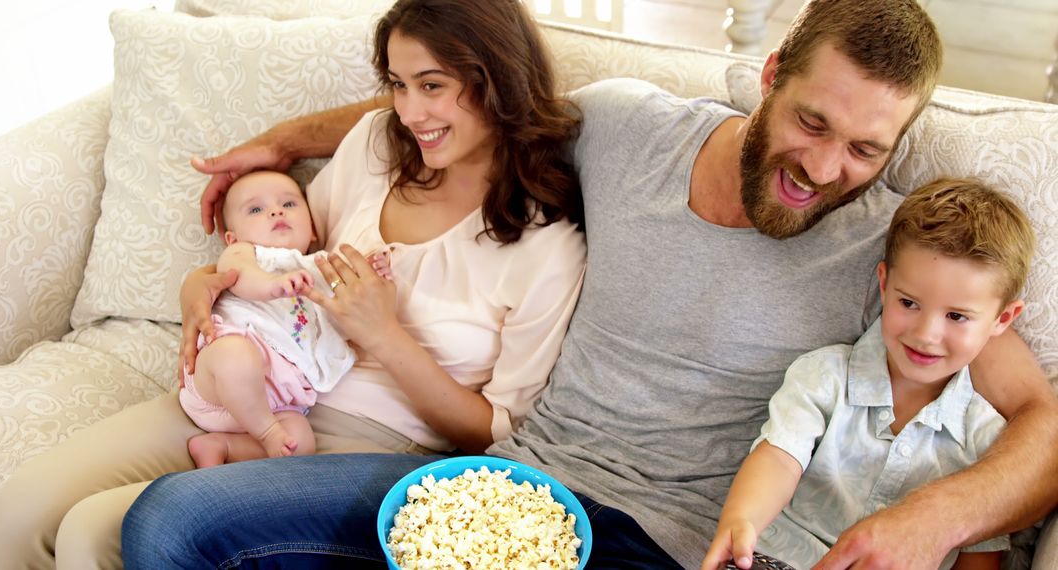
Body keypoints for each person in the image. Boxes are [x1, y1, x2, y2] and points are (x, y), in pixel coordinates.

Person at [122, 1, 1058, 568]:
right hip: (493, 488)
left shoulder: (886, 255)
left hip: (652, 546)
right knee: (170, 525)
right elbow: (472, 101)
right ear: (769, 77)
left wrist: (937, 518)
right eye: (812, 122)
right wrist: (290, 143)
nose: (821, 166)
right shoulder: (627, 130)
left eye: (866, 148)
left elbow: (1043, 423)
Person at [0, 0, 586, 566]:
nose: (409, 111)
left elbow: (496, 433)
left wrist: (384, 334)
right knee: (22, 511)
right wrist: (203, 280)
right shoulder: (378, 145)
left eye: (432, 86)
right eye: (399, 85)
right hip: (257, 380)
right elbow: (283, 252)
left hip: (374, 443)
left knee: (95, 532)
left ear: (499, 81)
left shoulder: (545, 244)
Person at [701, 178, 1036, 570]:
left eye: (956, 316)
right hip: (783, 559)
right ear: (884, 283)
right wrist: (743, 519)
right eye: (909, 302)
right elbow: (778, 457)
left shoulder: (988, 441)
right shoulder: (824, 377)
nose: (926, 334)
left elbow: (979, 550)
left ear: (1003, 319)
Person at [180, 170, 368, 466]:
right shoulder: (246, 254)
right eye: (256, 209)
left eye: (289, 204)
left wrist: (372, 272)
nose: (276, 211)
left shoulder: (320, 268)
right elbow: (243, 278)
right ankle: (266, 433)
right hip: (220, 385)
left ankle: (224, 446)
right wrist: (272, 285)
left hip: (276, 402)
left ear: (313, 229)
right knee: (236, 357)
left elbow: (347, 310)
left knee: (300, 441)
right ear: (232, 238)